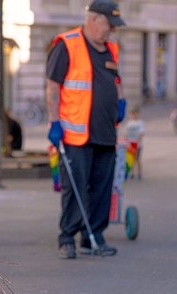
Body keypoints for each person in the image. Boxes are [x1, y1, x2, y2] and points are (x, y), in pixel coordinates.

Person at [46, 0, 126, 259]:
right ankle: (67, 236)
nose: (111, 31)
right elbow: (53, 88)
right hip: (75, 133)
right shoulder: (67, 44)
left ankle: (94, 236)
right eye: (109, 25)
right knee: (75, 187)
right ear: (94, 20)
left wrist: (121, 101)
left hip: (105, 131)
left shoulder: (111, 49)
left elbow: (116, 81)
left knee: (103, 187)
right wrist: (54, 122)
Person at [123, 105, 145, 179]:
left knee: (138, 158)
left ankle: (139, 173)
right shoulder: (129, 123)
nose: (134, 115)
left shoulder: (140, 123)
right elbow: (126, 133)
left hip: (137, 143)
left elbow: (141, 134)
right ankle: (132, 172)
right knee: (130, 158)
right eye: (133, 114)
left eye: (136, 113)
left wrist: (139, 142)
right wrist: (126, 141)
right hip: (130, 142)